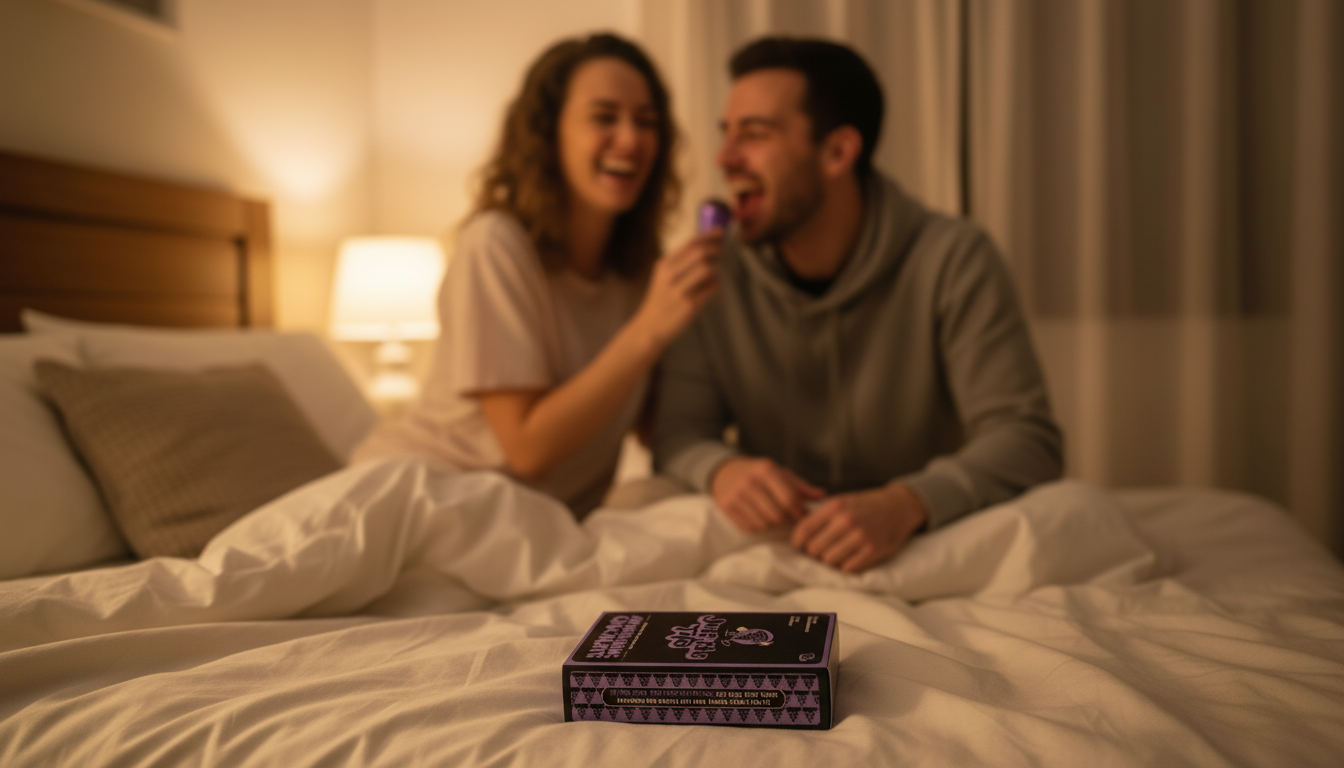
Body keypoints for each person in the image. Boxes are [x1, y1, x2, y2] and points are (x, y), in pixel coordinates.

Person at [652, 36, 1063, 572]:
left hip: (919, 538)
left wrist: (909, 502)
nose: (724, 158)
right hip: (776, 543)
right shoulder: (712, 272)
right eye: (726, 135)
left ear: (838, 152)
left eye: (753, 135)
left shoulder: (955, 258)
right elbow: (680, 434)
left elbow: (1026, 438)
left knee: (1074, 510)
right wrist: (722, 471)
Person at [353, 33, 722, 518]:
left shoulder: (636, 266)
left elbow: (653, 425)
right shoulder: (496, 245)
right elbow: (527, 449)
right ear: (549, 134)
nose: (631, 139)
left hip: (542, 522)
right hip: (429, 498)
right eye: (605, 117)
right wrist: (650, 330)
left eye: (646, 121)